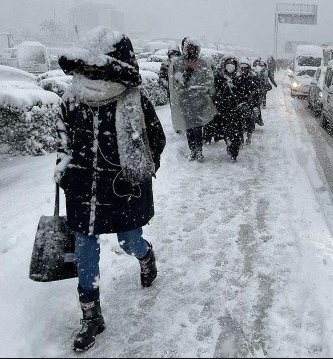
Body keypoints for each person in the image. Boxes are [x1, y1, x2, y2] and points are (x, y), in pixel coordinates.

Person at [55, 27, 166, 352]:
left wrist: (139, 172)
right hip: (83, 190)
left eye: (96, 66)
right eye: (86, 66)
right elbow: (63, 142)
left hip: (123, 190)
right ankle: (91, 316)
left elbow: (155, 141)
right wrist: (64, 171)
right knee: (85, 248)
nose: (89, 72)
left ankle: (146, 256)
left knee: (128, 241)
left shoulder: (133, 101)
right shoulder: (71, 99)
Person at [168, 37, 216, 162]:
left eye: (193, 48)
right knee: (189, 126)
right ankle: (192, 151)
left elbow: (209, 80)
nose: (191, 50)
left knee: (198, 126)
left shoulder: (203, 63)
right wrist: (189, 69)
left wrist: (204, 90)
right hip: (185, 100)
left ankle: (199, 151)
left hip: (200, 100)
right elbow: (178, 83)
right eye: (189, 48)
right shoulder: (178, 63)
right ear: (185, 49)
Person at [213, 55, 243, 162]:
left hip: (236, 111)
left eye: (232, 63)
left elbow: (242, 94)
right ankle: (229, 144)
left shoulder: (239, 78)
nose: (230, 65)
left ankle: (234, 152)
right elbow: (215, 93)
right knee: (225, 132)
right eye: (228, 63)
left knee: (235, 133)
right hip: (223, 110)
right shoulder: (219, 77)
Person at [237, 58, 261, 145]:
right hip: (239, 104)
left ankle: (249, 136)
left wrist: (255, 105)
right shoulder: (237, 79)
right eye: (242, 68)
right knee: (238, 123)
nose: (243, 70)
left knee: (250, 121)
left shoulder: (253, 79)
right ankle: (240, 139)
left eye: (245, 68)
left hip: (250, 104)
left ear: (248, 69)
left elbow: (256, 94)